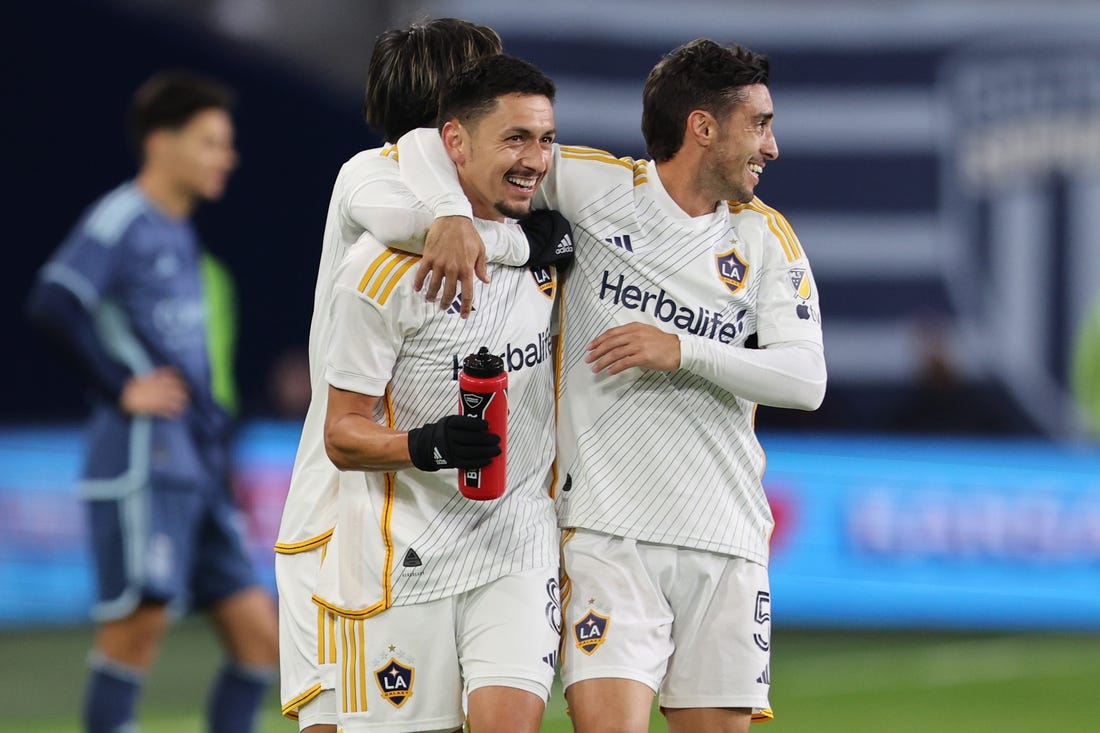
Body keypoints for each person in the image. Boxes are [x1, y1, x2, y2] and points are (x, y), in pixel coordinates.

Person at [393, 38, 827, 733]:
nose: (771, 147)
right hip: (606, 531)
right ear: (703, 128)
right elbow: (430, 148)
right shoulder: (597, 189)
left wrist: (682, 349)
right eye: (761, 123)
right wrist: (448, 210)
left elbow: (806, 379)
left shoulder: (767, 238)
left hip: (728, 538)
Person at [273, 23, 571, 732]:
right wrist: (531, 241)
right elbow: (432, 227)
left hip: (470, 527)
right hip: (340, 512)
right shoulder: (371, 176)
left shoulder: (494, 184)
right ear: (451, 113)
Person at [25, 71, 278, 733]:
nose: (227, 156)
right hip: (144, 459)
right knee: (135, 635)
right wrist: (121, 386)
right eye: (211, 142)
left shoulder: (179, 234)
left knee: (260, 639)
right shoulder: (122, 218)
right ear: (162, 143)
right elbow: (54, 300)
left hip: (192, 463)